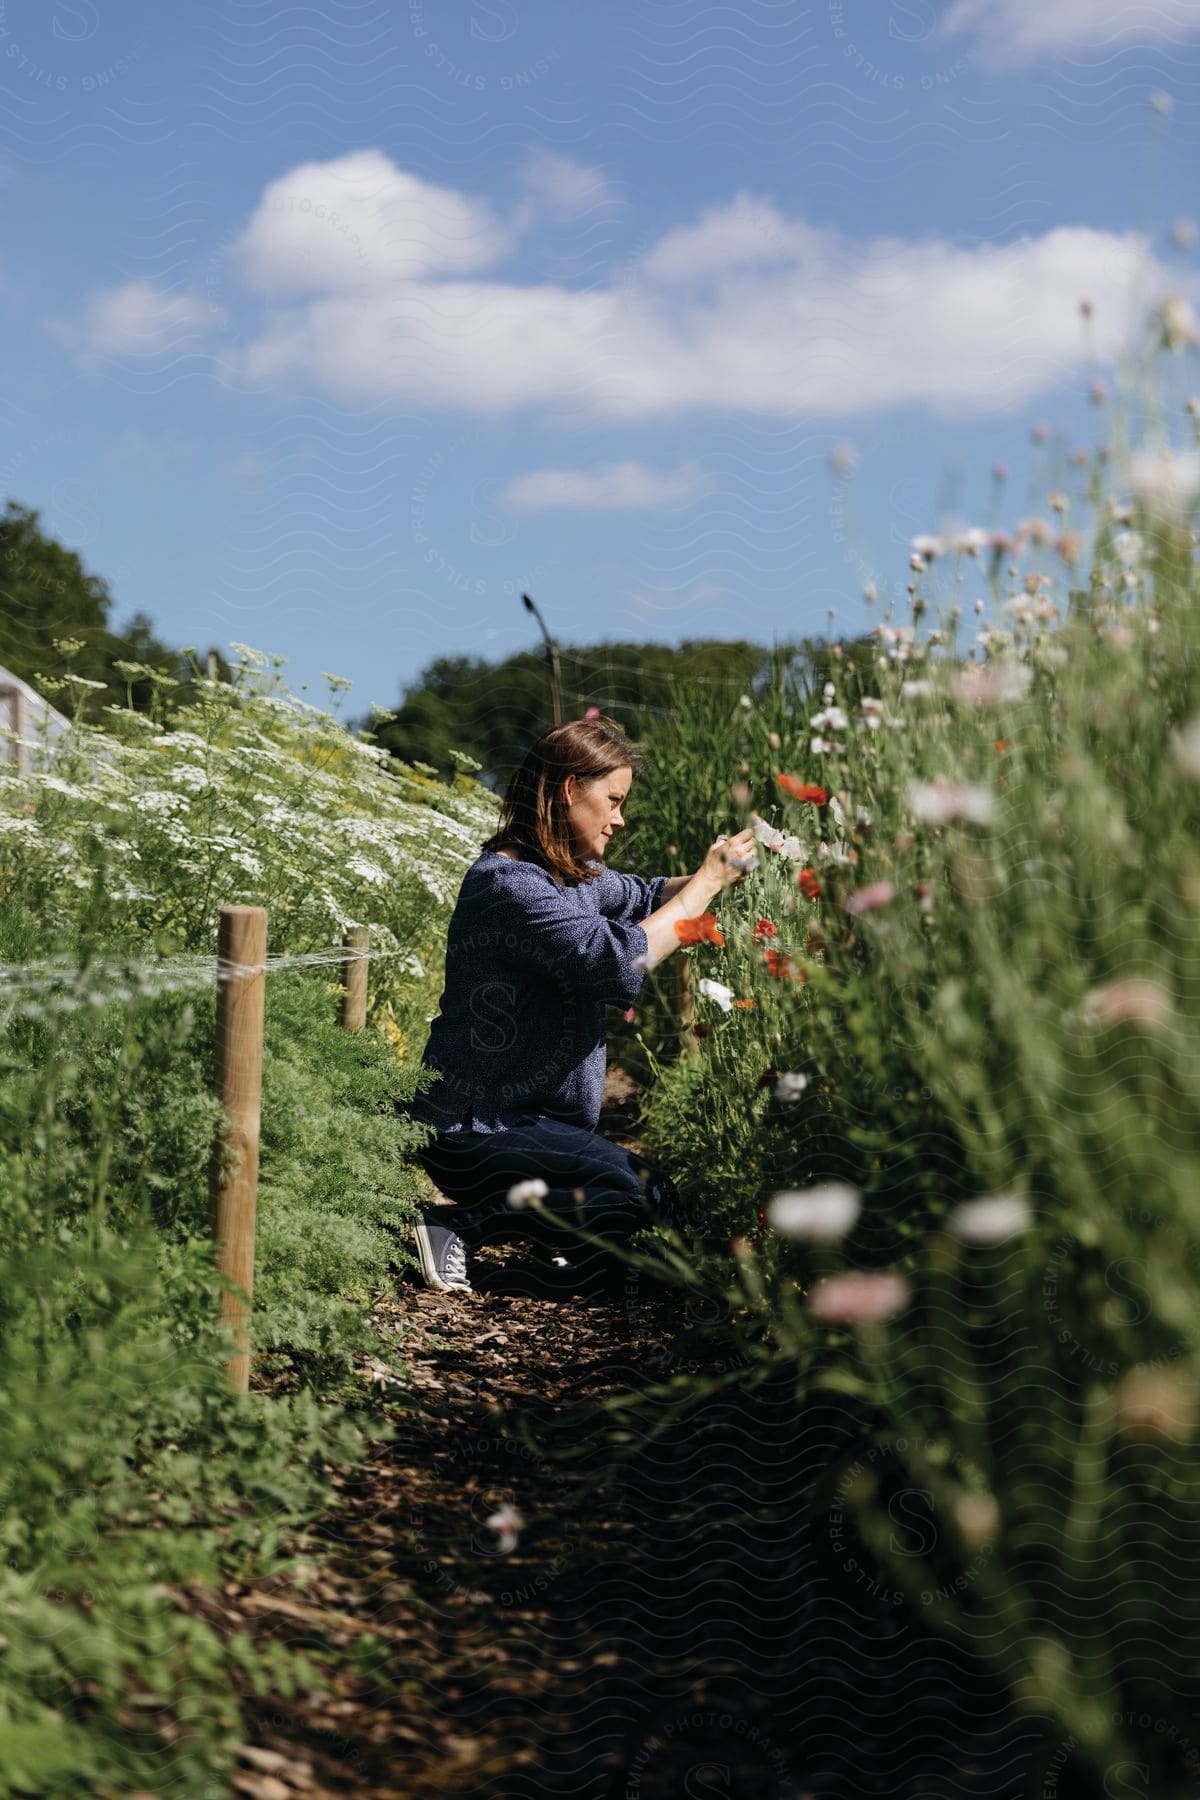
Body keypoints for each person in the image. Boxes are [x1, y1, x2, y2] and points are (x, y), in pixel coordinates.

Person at [400, 714, 758, 1292]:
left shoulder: (573, 876)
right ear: (569, 789)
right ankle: (456, 1224)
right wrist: (706, 887)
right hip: (477, 1128)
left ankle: (554, 1250)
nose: (619, 819)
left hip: (532, 1126)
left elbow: (643, 894)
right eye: (612, 800)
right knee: (643, 1195)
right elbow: (617, 963)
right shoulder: (508, 886)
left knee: (640, 1228)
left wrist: (719, 870)